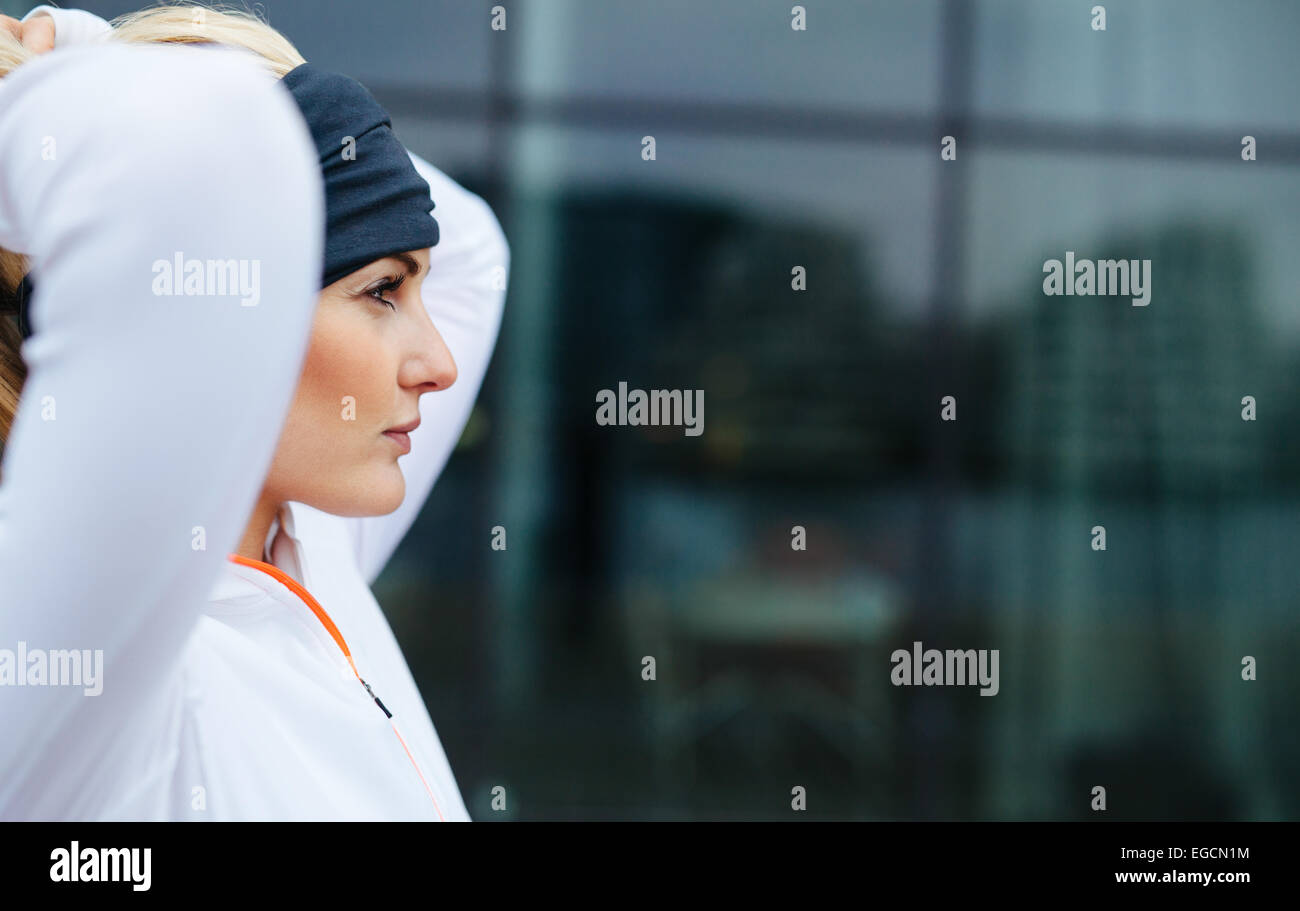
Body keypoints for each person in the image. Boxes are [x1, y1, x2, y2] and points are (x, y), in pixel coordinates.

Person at [0, 4, 508, 821]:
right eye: (382, 288)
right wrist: (62, 93)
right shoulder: (104, 677)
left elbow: (476, 250)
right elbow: (232, 157)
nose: (441, 364)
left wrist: (104, 65)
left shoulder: (311, 547)